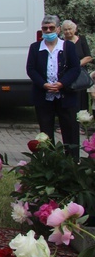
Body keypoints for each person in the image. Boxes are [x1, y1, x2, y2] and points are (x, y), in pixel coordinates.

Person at [27, 15, 81, 157]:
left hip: (65, 94)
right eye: (45, 28)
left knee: (70, 130)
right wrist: (44, 84)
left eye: (51, 28)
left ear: (58, 29)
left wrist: (62, 83)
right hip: (44, 96)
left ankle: (72, 161)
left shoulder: (67, 46)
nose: (48, 31)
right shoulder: (35, 47)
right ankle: (50, 161)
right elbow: (31, 69)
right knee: (46, 131)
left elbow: (75, 68)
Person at [61, 19, 92, 112]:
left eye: (70, 29)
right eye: (65, 29)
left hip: (80, 74)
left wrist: (76, 65)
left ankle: (82, 121)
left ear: (75, 29)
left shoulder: (82, 39)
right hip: (66, 74)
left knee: (81, 99)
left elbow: (88, 57)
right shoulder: (61, 42)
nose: (68, 31)